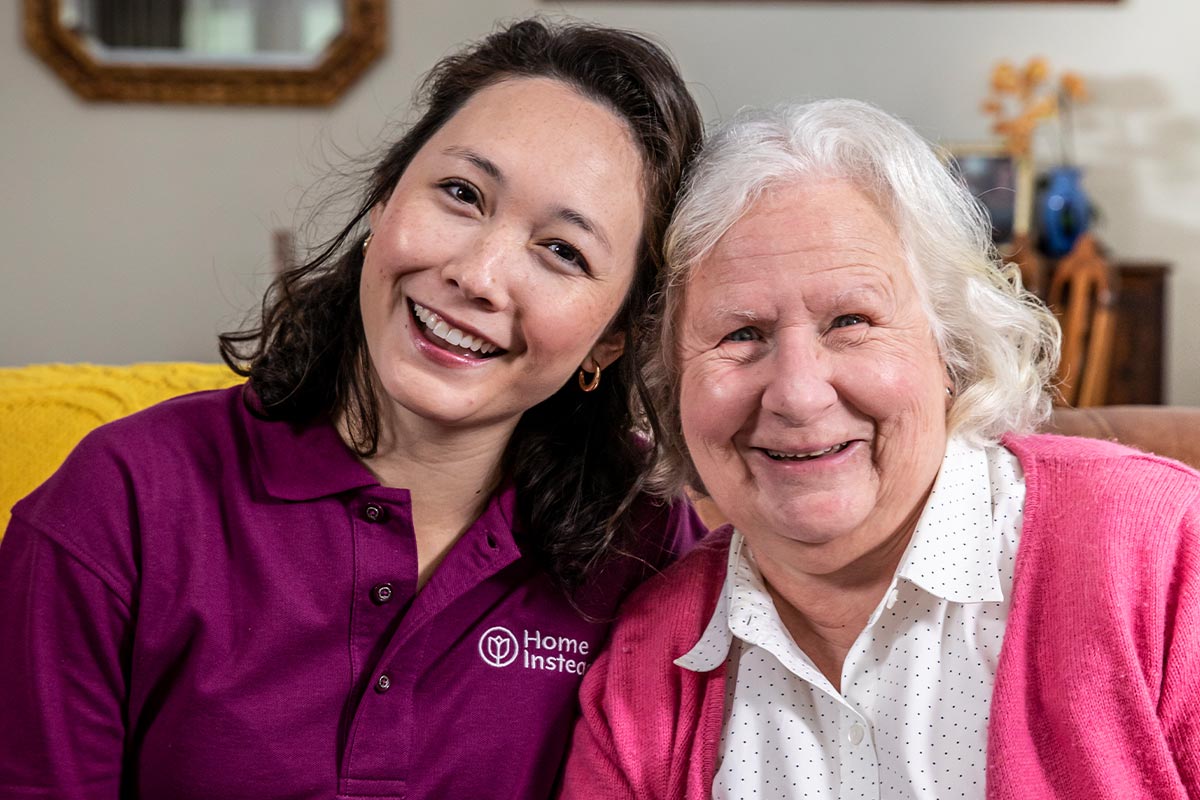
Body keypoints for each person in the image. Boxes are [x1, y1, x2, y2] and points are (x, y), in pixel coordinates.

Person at [0, 18, 706, 799]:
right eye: (462, 194)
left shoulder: (649, 544)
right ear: (383, 200)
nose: (478, 275)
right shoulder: (124, 501)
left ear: (611, 339)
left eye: (563, 251)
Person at [559, 99, 1200, 799]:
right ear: (671, 380)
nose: (797, 394)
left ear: (949, 349)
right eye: (740, 333)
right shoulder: (644, 662)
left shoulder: (1164, 554)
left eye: (851, 321)